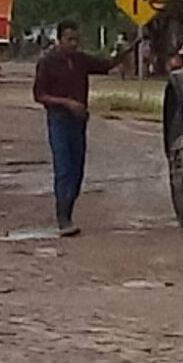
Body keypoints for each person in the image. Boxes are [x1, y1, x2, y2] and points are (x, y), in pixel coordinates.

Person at [33, 21, 134, 236]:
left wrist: (127, 51)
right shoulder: (47, 62)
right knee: (63, 168)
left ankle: (69, 209)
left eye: (76, 39)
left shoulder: (80, 60)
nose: (73, 43)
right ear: (59, 39)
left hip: (78, 121)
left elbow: (106, 65)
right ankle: (63, 218)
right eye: (69, 39)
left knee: (77, 170)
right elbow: (39, 95)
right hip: (59, 119)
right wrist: (67, 103)